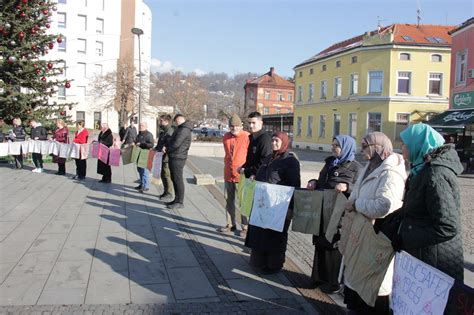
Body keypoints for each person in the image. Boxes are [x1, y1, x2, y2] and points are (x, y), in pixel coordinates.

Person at [380, 123, 464, 282]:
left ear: (417, 145)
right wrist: (389, 221)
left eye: (404, 145)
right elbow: (415, 208)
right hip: (422, 259)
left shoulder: (436, 174)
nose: (402, 149)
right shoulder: (421, 170)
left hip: (436, 264)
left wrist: (406, 238)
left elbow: (447, 226)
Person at [342, 132, 407, 315]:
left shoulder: (390, 172)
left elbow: (385, 205)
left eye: (365, 146)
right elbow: (358, 190)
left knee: (372, 286)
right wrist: (352, 201)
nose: (362, 151)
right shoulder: (370, 166)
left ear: (377, 147)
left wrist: (356, 204)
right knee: (356, 279)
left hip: (376, 235)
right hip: (360, 232)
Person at [307, 135, 361, 294]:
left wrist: (347, 187)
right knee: (320, 243)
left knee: (333, 245)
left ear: (346, 147)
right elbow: (321, 180)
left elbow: (358, 188)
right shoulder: (330, 162)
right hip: (323, 208)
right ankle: (318, 277)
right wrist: (314, 182)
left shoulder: (355, 167)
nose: (333, 147)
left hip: (340, 213)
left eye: (337, 145)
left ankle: (333, 282)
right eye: (332, 144)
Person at [245, 132, 301, 274]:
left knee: (274, 236)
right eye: (273, 140)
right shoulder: (269, 158)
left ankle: (273, 265)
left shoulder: (290, 161)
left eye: (277, 141)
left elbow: (295, 184)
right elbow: (262, 174)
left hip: (279, 207)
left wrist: (290, 208)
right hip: (263, 204)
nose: (274, 143)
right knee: (260, 233)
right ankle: (259, 262)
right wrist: (254, 176)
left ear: (284, 142)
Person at [218, 114, 250, 237]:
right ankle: (230, 224)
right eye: (232, 126)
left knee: (243, 202)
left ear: (241, 125)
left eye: (236, 126)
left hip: (241, 175)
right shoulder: (226, 137)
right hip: (228, 174)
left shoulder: (247, 137)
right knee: (228, 200)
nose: (234, 128)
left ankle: (245, 226)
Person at [162, 114, 193, 209]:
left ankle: (179, 201)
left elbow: (176, 143)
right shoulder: (181, 128)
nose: (175, 123)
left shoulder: (184, 130)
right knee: (175, 178)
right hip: (175, 156)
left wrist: (167, 149)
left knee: (177, 179)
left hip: (178, 157)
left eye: (176, 121)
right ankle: (177, 199)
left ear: (179, 119)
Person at [239, 111, 272, 179]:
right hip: (249, 177)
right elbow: (250, 159)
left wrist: (251, 172)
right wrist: (243, 167)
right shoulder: (252, 137)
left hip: (258, 178)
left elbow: (264, 161)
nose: (251, 125)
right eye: (249, 123)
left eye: (254, 123)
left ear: (261, 123)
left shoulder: (265, 139)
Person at [155, 114, 175, 200]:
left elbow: (171, 143)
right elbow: (160, 142)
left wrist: (165, 147)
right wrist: (155, 148)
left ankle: (169, 193)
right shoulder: (163, 131)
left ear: (166, 121)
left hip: (166, 157)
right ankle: (165, 191)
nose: (160, 122)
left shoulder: (170, 131)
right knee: (162, 174)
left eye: (161, 121)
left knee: (167, 174)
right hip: (161, 155)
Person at [135, 121, 154, 193]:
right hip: (138, 153)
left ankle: (145, 186)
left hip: (145, 154)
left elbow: (151, 145)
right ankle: (141, 184)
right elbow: (136, 141)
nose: (140, 127)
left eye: (142, 126)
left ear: (146, 127)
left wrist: (142, 144)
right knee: (139, 170)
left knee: (144, 171)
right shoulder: (139, 134)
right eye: (140, 125)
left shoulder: (149, 134)